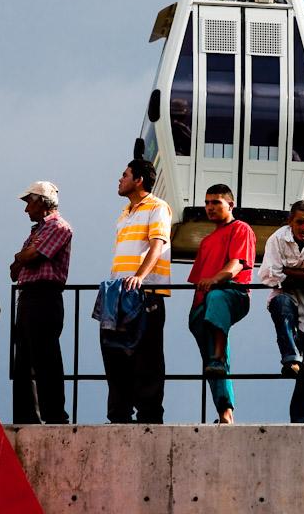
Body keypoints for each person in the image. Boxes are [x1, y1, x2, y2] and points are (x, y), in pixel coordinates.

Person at [100, 159, 172, 424]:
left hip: (145, 293)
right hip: (118, 292)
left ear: (139, 179)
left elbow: (157, 244)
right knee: (114, 354)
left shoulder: (158, 207)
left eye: (125, 174)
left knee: (148, 356)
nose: (120, 179)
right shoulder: (124, 212)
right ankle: (119, 414)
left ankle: (149, 417)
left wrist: (140, 277)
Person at [188, 184, 256, 424]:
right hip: (204, 303)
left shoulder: (241, 228)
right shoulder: (206, 241)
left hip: (231, 293)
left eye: (216, 202)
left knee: (216, 300)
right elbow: (197, 280)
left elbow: (237, 264)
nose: (210, 207)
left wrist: (215, 280)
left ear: (231, 205)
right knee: (211, 363)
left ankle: (217, 355)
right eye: (207, 203)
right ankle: (224, 413)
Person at [258, 200, 304, 423]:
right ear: (290, 222)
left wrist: (288, 272)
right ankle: (290, 358)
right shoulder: (278, 239)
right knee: (281, 305)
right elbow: (268, 276)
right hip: (285, 298)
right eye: (300, 222)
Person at [11, 180, 72, 424]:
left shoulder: (59, 227)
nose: (27, 209)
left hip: (45, 296)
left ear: (42, 203)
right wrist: (22, 258)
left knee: (45, 357)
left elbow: (28, 256)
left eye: (29, 202)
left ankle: (55, 416)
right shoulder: (37, 231)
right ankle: (28, 418)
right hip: (29, 296)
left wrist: (22, 257)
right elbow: (16, 268)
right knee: (24, 360)